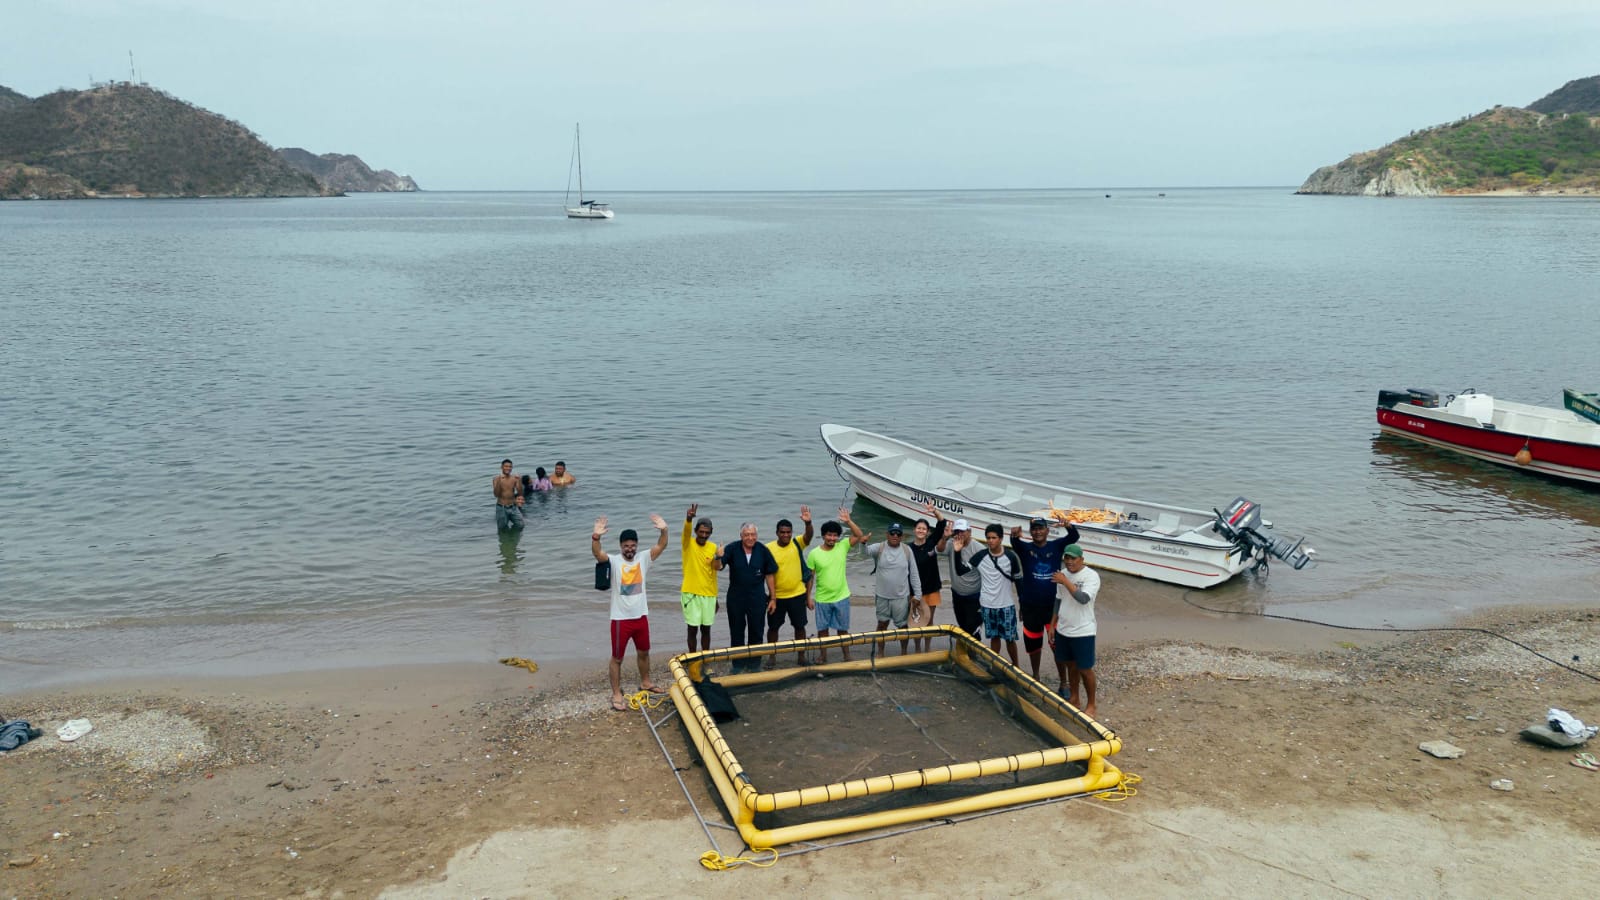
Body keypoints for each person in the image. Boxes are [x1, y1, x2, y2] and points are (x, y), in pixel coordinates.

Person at [590, 514, 669, 711]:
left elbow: (661, 546)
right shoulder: (615, 561)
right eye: (626, 546)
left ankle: (646, 682)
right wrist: (596, 537)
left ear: (636, 545)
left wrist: (664, 530)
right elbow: (598, 554)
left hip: (641, 616)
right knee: (617, 658)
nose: (630, 549)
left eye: (633, 545)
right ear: (620, 546)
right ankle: (616, 693)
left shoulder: (643, 558)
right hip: (620, 619)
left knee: (644, 652)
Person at [1010, 517, 1082, 680]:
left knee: (1057, 645)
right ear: (1031, 532)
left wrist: (1068, 526)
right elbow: (1015, 543)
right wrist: (1014, 534)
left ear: (1047, 531)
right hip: (1030, 607)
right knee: (1033, 645)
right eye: (1034, 529)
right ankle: (1036, 676)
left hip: (1053, 607)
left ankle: (1063, 682)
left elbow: (1074, 537)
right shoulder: (1025, 548)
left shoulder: (1056, 546)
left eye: (1041, 528)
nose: (1037, 531)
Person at [809, 508, 868, 663]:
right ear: (823, 536)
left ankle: (846, 655)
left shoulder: (843, 546)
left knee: (843, 629)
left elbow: (859, 535)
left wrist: (848, 521)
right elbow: (810, 578)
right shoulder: (814, 553)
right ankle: (823, 655)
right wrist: (808, 597)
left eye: (835, 535)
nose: (832, 538)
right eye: (829, 535)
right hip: (822, 599)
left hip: (842, 597)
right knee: (822, 630)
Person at [1049, 544, 1101, 716]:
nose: (1070, 562)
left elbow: (1083, 598)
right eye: (1067, 558)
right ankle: (1074, 697)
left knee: (1085, 669)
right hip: (1063, 628)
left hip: (1083, 630)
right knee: (1070, 665)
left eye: (1073, 558)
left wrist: (1065, 581)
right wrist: (1052, 625)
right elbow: (1058, 600)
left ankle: (1092, 704)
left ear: (1082, 559)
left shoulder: (1091, 576)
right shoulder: (1062, 573)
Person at [722, 522, 777, 674]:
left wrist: (773, 598)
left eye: (753, 534)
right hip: (735, 596)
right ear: (741, 536)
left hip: (757, 597)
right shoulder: (732, 548)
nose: (750, 537)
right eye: (747, 535)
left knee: (757, 631)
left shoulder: (763, 550)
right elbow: (718, 566)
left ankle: (754, 664)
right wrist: (717, 557)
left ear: (756, 536)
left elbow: (770, 574)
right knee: (736, 631)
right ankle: (738, 664)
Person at [765, 506, 815, 666]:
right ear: (777, 533)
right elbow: (767, 573)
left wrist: (808, 523)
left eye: (788, 532)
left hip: (797, 595)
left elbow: (808, 536)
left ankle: (801, 656)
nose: (786, 535)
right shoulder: (768, 548)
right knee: (773, 629)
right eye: (782, 532)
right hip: (776, 597)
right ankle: (772, 657)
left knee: (800, 627)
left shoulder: (797, 543)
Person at [865, 520, 922, 654]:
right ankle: (880, 653)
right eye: (892, 533)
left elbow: (914, 574)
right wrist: (863, 541)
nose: (895, 536)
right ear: (887, 534)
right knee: (882, 624)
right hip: (882, 596)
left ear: (902, 536)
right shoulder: (879, 548)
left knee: (903, 626)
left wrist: (918, 595)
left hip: (901, 598)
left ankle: (903, 652)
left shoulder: (907, 550)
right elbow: (865, 551)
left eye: (898, 534)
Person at [976, 523, 1024, 665]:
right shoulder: (980, 556)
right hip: (987, 605)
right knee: (994, 638)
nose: (990, 540)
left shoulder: (1011, 557)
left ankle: (1016, 666)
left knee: (1010, 639)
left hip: (1006, 605)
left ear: (1001, 539)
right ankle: (994, 665)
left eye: (994, 537)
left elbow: (1019, 582)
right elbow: (963, 572)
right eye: (988, 538)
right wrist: (958, 551)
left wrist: (1022, 605)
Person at [680, 503, 721, 653]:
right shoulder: (688, 544)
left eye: (707, 532)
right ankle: (693, 658)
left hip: (709, 595)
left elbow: (715, 570)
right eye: (701, 532)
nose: (704, 535)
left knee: (706, 629)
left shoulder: (713, 547)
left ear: (711, 532)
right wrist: (688, 519)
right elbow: (686, 532)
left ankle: (705, 658)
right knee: (692, 629)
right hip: (691, 593)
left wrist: (716, 598)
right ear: (696, 531)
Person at [908, 500, 947, 652]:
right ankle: (917, 648)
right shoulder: (908, 548)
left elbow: (942, 523)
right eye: (919, 528)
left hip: (931, 589)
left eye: (924, 529)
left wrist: (934, 511)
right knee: (916, 621)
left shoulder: (931, 543)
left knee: (929, 620)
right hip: (915, 591)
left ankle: (927, 648)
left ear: (928, 532)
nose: (921, 530)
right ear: (914, 530)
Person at [943, 519, 984, 637]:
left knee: (972, 626)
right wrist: (944, 537)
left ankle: (974, 651)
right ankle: (965, 649)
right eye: (957, 531)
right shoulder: (951, 543)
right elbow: (938, 549)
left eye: (963, 531)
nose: (959, 534)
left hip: (974, 596)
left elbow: (987, 574)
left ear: (970, 532)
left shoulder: (979, 549)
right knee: (962, 625)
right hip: (957, 594)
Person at [492, 459, 524, 530]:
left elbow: (520, 493)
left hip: (513, 507)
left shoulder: (514, 478)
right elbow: (496, 494)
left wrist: (519, 481)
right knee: (502, 529)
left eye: (510, 467)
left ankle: (513, 539)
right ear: (502, 467)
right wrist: (499, 482)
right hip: (501, 507)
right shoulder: (496, 479)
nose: (508, 468)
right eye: (506, 466)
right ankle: (505, 540)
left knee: (521, 525)